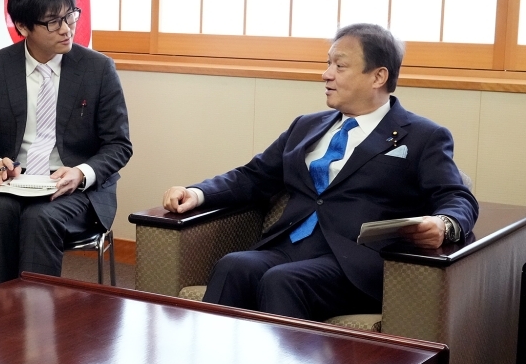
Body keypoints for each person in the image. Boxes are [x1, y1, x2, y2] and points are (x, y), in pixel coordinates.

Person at [161, 23, 478, 321]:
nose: (326, 74)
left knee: (282, 281)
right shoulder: (306, 126)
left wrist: (444, 224)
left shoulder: (423, 136)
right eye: (328, 64)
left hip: (356, 263)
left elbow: (456, 196)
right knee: (234, 265)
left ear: (378, 76)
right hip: (290, 247)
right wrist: (197, 193)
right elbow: (254, 175)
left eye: (340, 66)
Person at [0, 0, 132, 286]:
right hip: (14, 182)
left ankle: (38, 325)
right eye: (53, 22)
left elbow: (119, 145)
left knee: (39, 218)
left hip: (75, 188)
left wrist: (80, 172)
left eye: (71, 16)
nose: (67, 29)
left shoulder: (98, 69)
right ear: (23, 27)